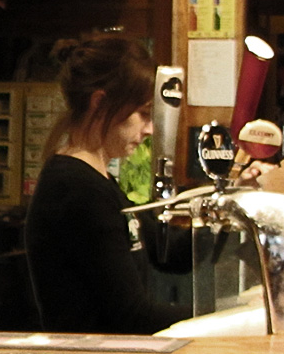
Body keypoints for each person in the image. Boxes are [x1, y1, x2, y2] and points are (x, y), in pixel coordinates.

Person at [25, 32, 190, 334]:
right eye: (142, 114)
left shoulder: (99, 180)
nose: (150, 129)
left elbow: (167, 252)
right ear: (100, 104)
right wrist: (220, 321)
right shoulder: (76, 190)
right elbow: (133, 316)